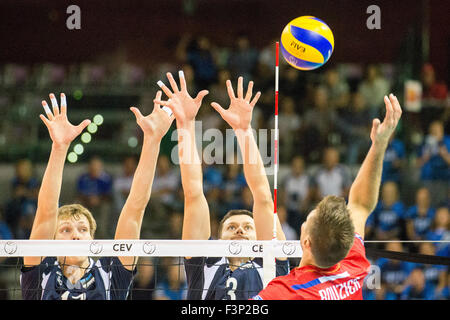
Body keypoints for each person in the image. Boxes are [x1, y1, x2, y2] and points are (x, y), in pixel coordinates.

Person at [21, 92, 174, 300]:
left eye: (82, 229)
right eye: (65, 229)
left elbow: (135, 209)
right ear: (52, 238)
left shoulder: (109, 273)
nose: (75, 235)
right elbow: (46, 212)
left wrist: (152, 141)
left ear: (92, 239)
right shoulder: (41, 271)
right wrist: (59, 148)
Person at [253, 94, 402, 300]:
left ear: (306, 242)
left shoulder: (285, 292)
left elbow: (360, 204)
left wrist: (379, 144)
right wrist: (380, 144)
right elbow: (360, 203)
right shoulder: (352, 267)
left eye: (307, 220)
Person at [154, 73, 289, 300]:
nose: (240, 230)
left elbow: (263, 197)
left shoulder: (271, 264)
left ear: (261, 239)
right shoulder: (204, 264)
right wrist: (185, 124)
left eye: (248, 227)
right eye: (232, 227)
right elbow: (193, 193)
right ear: (217, 242)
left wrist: (244, 131)